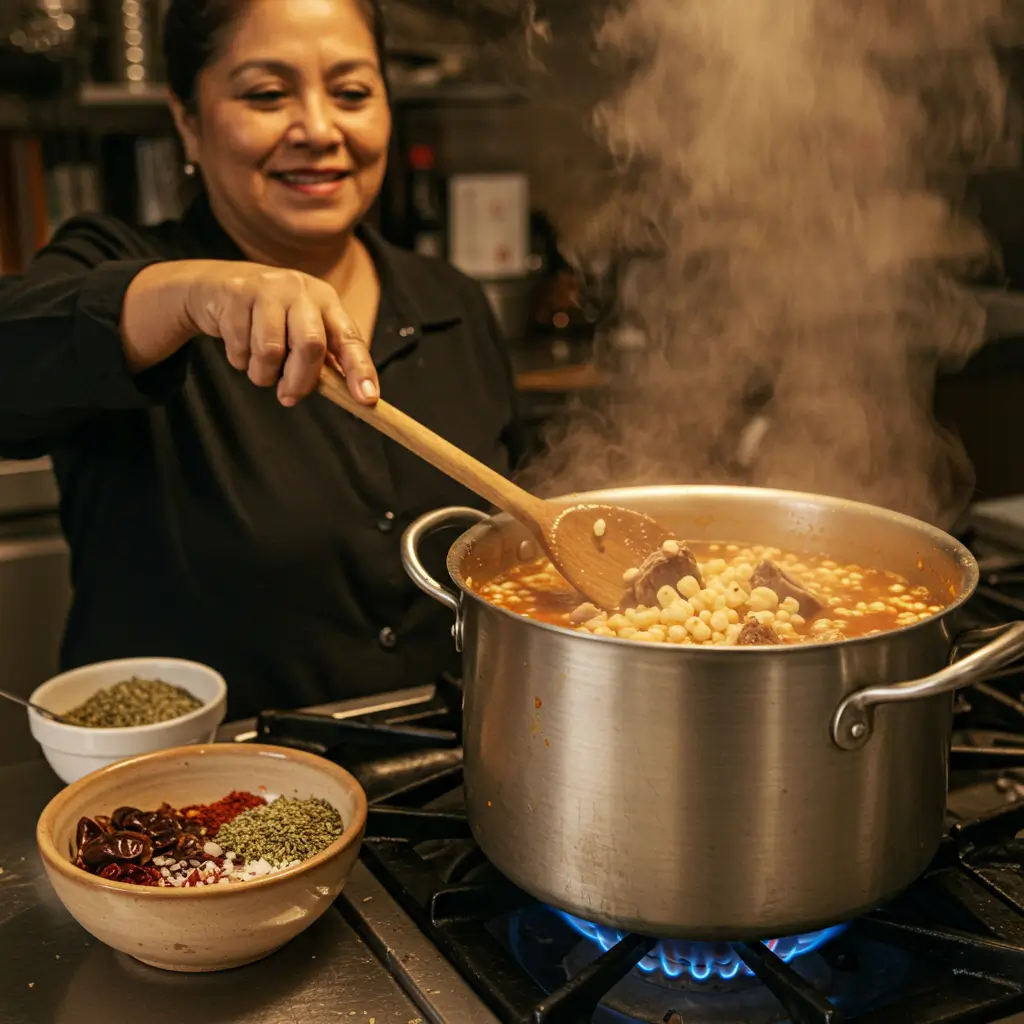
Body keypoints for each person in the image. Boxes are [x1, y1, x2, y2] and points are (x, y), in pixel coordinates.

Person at [0, 0, 523, 719]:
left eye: (352, 93)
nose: (318, 129)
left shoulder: (450, 298)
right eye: (266, 94)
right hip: (191, 801)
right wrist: (188, 293)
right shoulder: (123, 269)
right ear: (188, 118)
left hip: (444, 785)